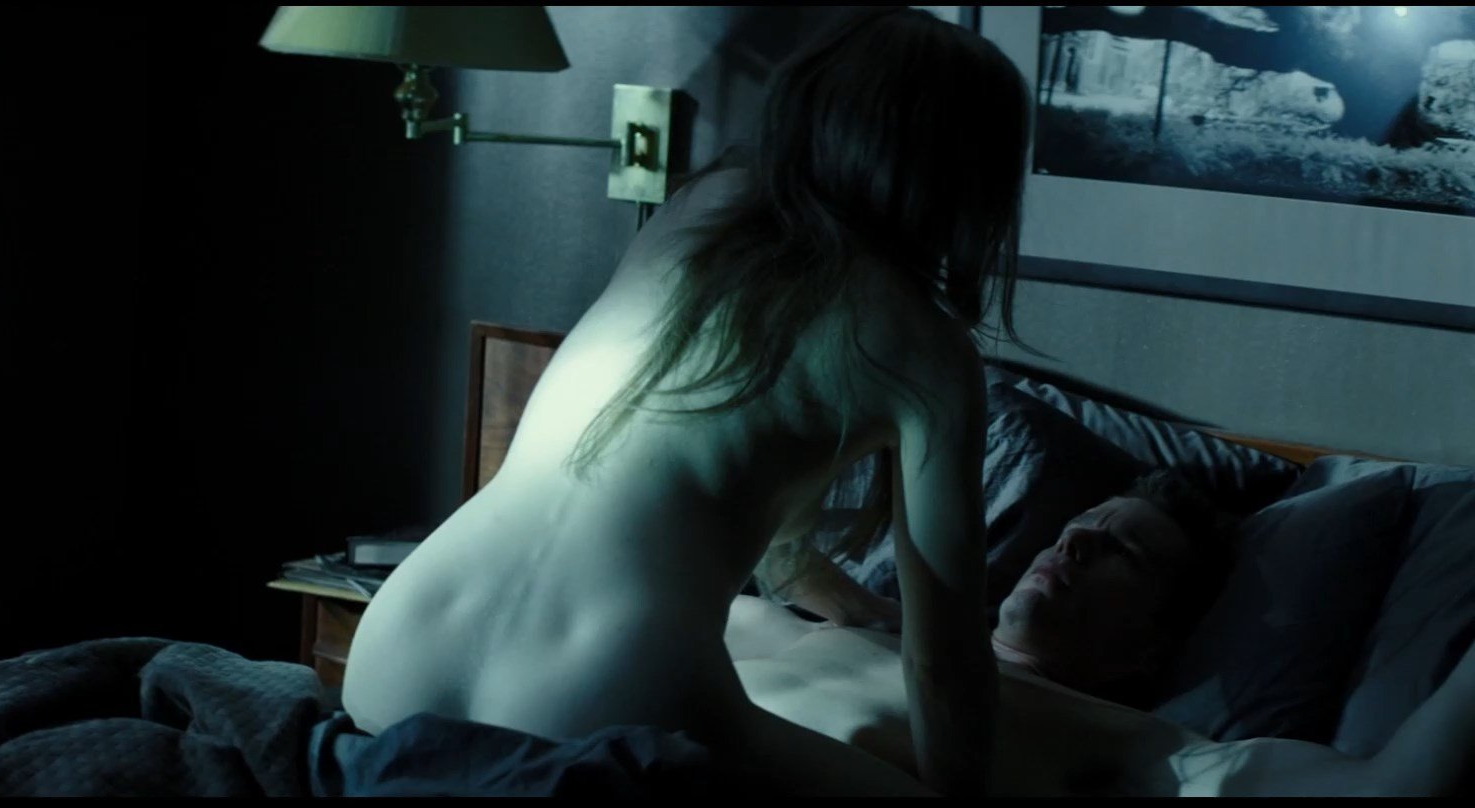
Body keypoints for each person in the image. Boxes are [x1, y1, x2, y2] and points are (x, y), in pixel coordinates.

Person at [342, 7, 1032, 797]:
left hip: (404, 637)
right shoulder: (925, 351)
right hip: (601, 687)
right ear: (967, 175)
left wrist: (843, 601)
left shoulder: (700, 210)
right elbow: (944, 666)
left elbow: (713, 472)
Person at [725, 471, 1475, 797]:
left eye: (1124, 551)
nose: (1075, 542)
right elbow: (732, 576)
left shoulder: (1139, 746)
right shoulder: (880, 626)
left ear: (1152, 646)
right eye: (1079, 527)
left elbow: (1391, 789)